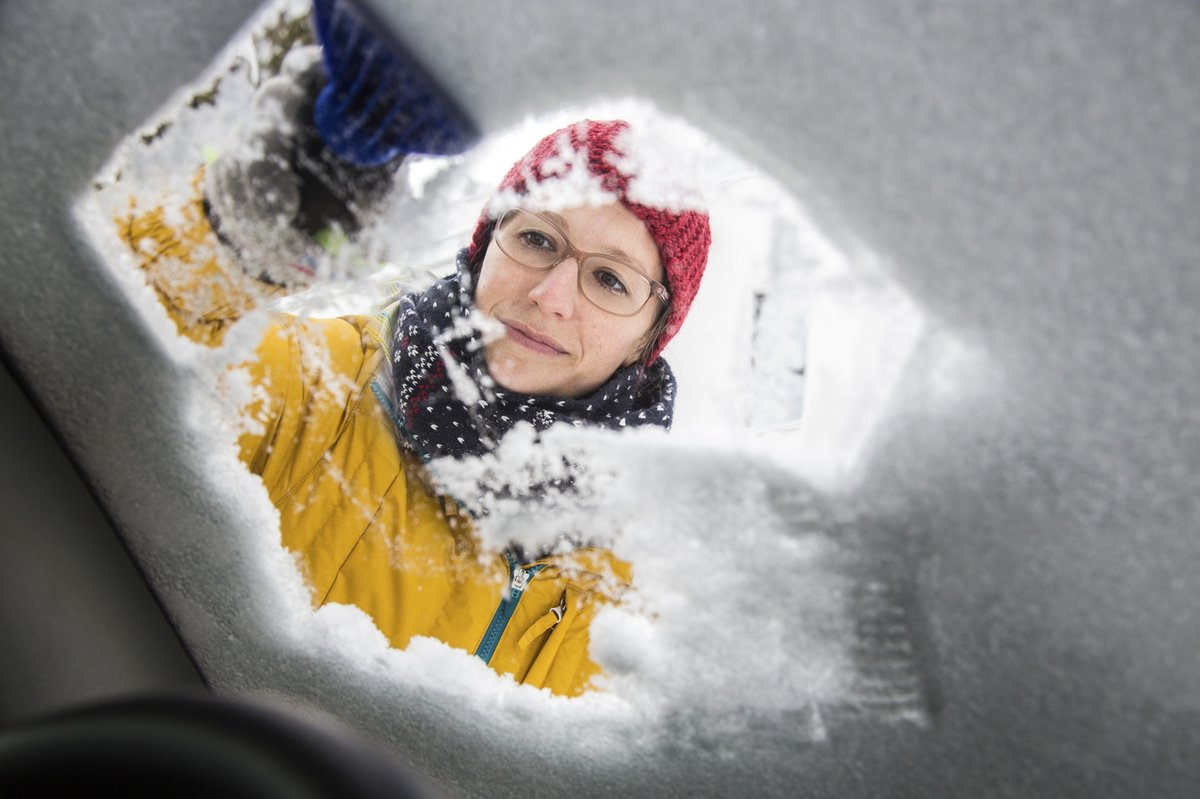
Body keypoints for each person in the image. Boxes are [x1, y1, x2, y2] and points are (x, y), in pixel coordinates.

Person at [118, 103, 711, 696]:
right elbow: (119, 322)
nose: (551, 295)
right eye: (536, 238)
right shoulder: (319, 389)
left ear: (649, 338)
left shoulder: (658, 589)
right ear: (485, 246)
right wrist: (243, 218)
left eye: (610, 279)